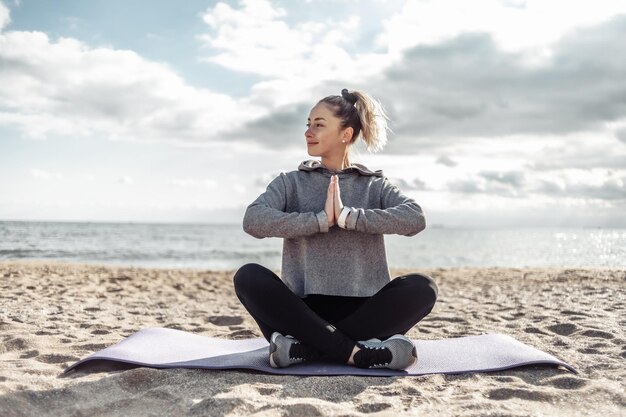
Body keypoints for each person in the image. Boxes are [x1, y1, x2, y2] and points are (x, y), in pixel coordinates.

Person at [233, 89, 438, 370]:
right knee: (249, 277)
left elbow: (415, 218)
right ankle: (358, 353)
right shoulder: (290, 182)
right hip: (302, 310)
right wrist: (319, 220)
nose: (308, 131)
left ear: (345, 134)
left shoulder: (373, 185)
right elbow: (253, 220)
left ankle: (306, 349)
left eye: (319, 124)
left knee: (423, 287)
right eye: (308, 123)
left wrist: (348, 217)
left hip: (365, 309)